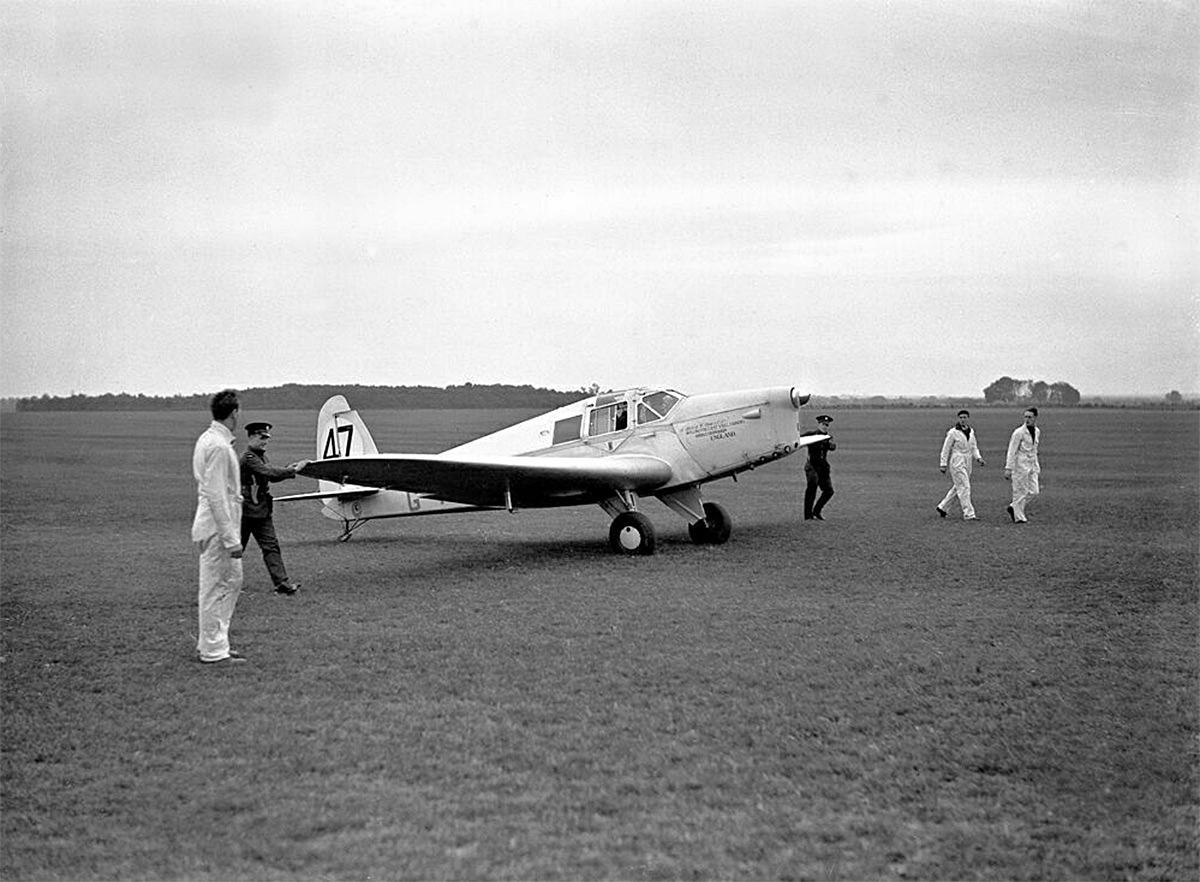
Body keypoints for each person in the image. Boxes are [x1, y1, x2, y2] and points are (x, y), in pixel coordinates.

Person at [191, 389, 246, 664]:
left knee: (231, 581)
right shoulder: (220, 447)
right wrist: (230, 538)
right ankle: (213, 650)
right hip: (216, 527)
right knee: (218, 586)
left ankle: (215, 643)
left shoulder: (208, 439)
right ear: (234, 413)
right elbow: (216, 495)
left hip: (212, 523)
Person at [240, 421, 310, 595]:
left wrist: (290, 469)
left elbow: (271, 476)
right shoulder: (249, 458)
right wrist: (292, 471)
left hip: (261, 510)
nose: (265, 441)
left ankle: (282, 584)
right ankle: (222, 585)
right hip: (245, 511)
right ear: (251, 437)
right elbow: (267, 473)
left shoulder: (261, 457)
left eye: (266, 438)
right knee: (236, 549)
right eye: (261, 437)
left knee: (271, 546)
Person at [937, 409, 985, 520]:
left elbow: (973, 447)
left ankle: (943, 507)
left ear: (968, 418)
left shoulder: (971, 432)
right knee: (965, 486)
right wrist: (943, 464)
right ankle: (969, 514)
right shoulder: (953, 432)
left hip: (968, 461)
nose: (963, 419)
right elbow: (946, 448)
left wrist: (978, 458)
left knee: (959, 486)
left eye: (965, 417)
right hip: (957, 460)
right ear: (958, 419)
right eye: (961, 417)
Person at [1004, 407, 1041, 523]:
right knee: (1020, 491)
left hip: (1032, 465)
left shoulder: (1037, 431)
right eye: (1025, 417)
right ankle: (1019, 518)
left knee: (1034, 491)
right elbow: (1012, 450)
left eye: (1029, 417)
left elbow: (1034, 450)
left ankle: (1013, 507)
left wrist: (1036, 465)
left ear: (1035, 418)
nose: (1027, 419)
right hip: (1020, 465)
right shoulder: (1018, 433)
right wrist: (1008, 468)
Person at [802, 414, 837, 520]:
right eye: (823, 424)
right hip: (812, 466)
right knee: (811, 490)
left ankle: (817, 511)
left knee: (829, 491)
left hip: (823, 467)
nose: (824, 426)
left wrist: (830, 444)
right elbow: (798, 440)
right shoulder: (811, 435)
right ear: (819, 424)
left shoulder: (827, 437)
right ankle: (808, 515)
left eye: (826, 425)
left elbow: (833, 447)